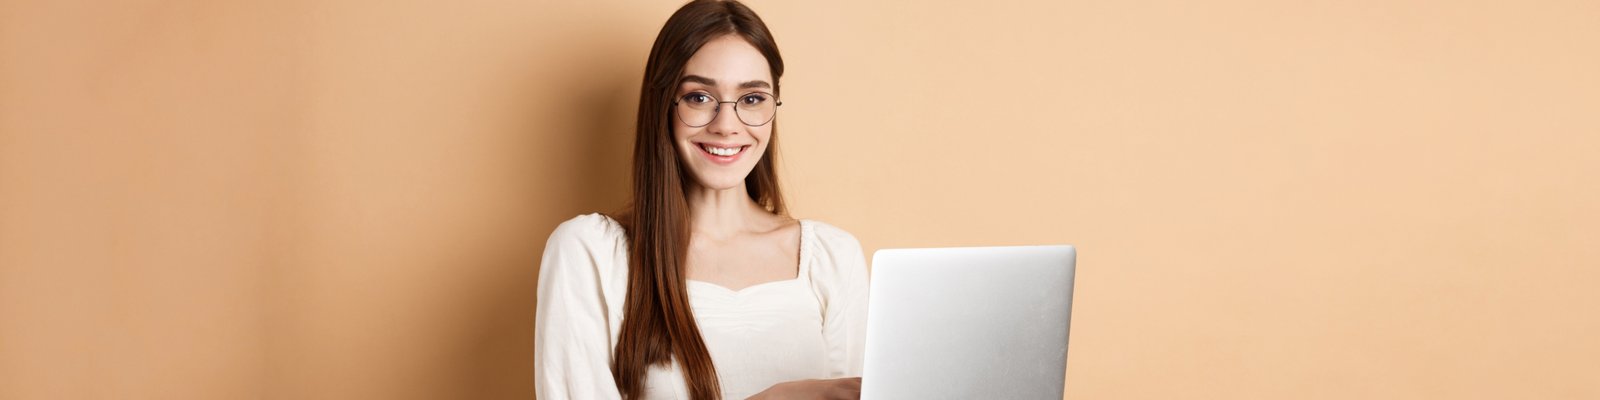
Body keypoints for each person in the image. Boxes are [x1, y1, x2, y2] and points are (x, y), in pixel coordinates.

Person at [533, 1, 869, 399]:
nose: (726, 126)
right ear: (664, 106)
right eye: (699, 97)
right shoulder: (590, 252)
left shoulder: (832, 257)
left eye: (751, 99)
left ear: (774, 106)